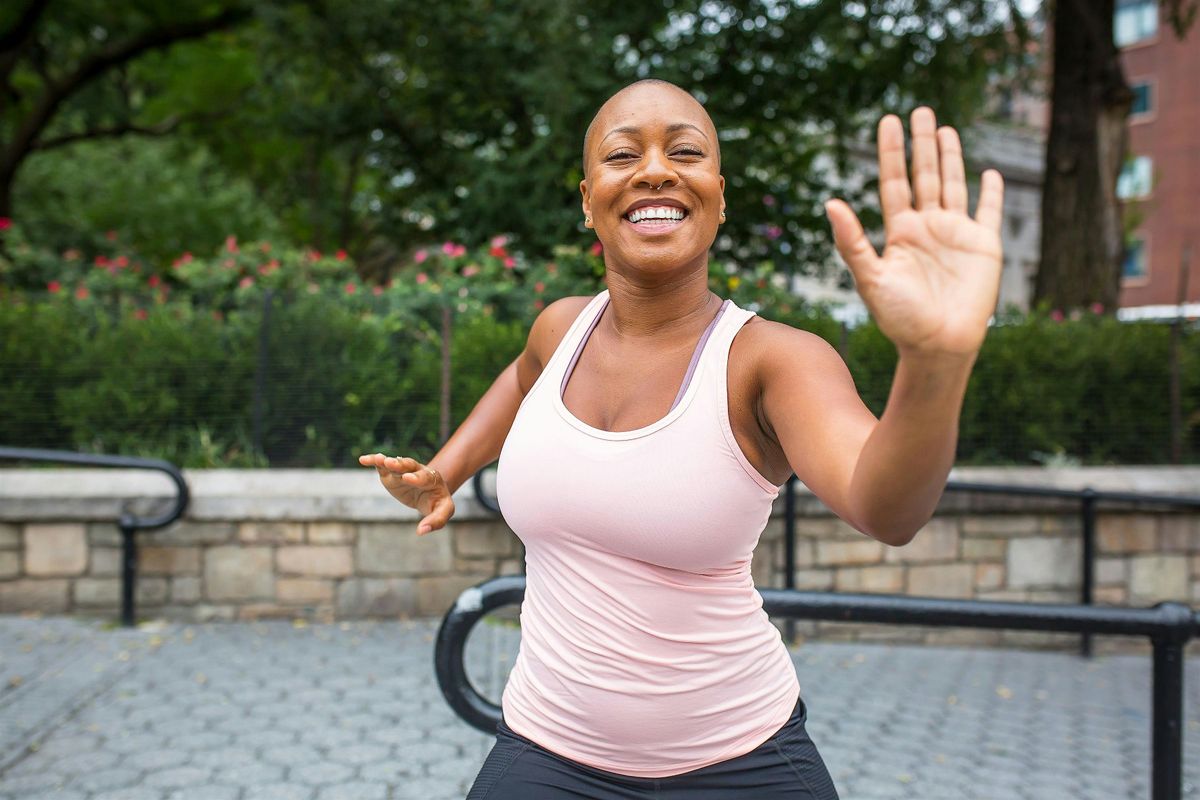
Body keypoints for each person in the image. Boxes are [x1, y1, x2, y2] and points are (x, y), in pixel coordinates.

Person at [360, 79, 1003, 798]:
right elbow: (520, 380)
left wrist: (935, 363)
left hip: (743, 764)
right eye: (624, 154)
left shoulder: (771, 361)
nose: (657, 169)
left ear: (719, 198)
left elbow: (887, 509)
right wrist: (446, 469)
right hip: (545, 753)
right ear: (587, 200)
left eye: (686, 152)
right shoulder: (559, 330)